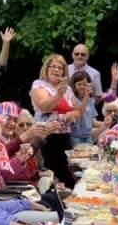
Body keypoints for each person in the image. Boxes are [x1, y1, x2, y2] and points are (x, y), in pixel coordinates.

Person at [30, 53, 85, 188]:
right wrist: (59, 94)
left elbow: (79, 111)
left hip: (65, 136)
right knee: (50, 174)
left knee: (68, 174)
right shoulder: (39, 85)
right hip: (46, 136)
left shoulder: (68, 89)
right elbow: (44, 106)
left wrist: (72, 114)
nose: (56, 70)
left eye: (60, 68)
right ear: (46, 69)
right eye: (53, 67)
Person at [69, 69, 98, 146]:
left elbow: (93, 122)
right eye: (79, 84)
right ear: (74, 85)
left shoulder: (91, 100)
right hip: (75, 137)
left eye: (85, 84)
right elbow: (79, 113)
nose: (82, 87)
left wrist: (108, 124)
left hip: (88, 137)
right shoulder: (72, 99)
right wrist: (86, 97)